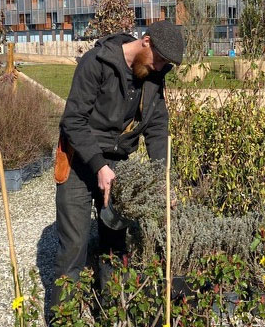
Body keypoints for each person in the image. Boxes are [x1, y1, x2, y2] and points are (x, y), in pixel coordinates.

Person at [48, 21, 185, 319]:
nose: (161, 67)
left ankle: (113, 312)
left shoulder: (153, 74)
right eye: (159, 59)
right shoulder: (95, 63)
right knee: (74, 246)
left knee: (114, 241)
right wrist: (98, 165)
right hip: (79, 160)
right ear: (145, 41)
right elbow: (72, 122)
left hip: (117, 161)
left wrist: (162, 179)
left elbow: (158, 128)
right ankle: (63, 318)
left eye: (165, 64)